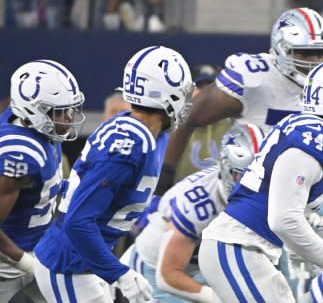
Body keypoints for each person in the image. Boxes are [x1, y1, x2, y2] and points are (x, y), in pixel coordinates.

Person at [198, 59, 323, 302]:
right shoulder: (316, 137)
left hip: (247, 247)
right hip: (239, 245)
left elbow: (288, 209)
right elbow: (283, 220)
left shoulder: (309, 129)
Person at [32, 45, 193, 303]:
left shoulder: (153, 133)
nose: (187, 99)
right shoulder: (127, 146)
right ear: (165, 92)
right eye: (184, 91)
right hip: (69, 264)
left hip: (89, 260)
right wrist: (121, 274)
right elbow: (78, 222)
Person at [157, 7, 323, 196]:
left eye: (321, 53)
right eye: (306, 53)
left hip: (305, 185)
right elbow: (188, 115)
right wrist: (166, 170)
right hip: (249, 183)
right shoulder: (257, 79)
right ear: (281, 48)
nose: (315, 62)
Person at [128, 123, 263, 302]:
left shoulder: (269, 189)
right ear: (227, 167)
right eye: (245, 173)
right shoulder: (201, 203)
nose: (256, 183)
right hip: (157, 270)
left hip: (205, 267)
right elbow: (167, 276)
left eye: (263, 174)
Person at [0, 60, 85, 302]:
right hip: (5, 262)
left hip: (40, 250)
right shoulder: (19, 153)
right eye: (60, 111)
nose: (69, 117)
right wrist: (25, 262)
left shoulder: (44, 131)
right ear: (35, 112)